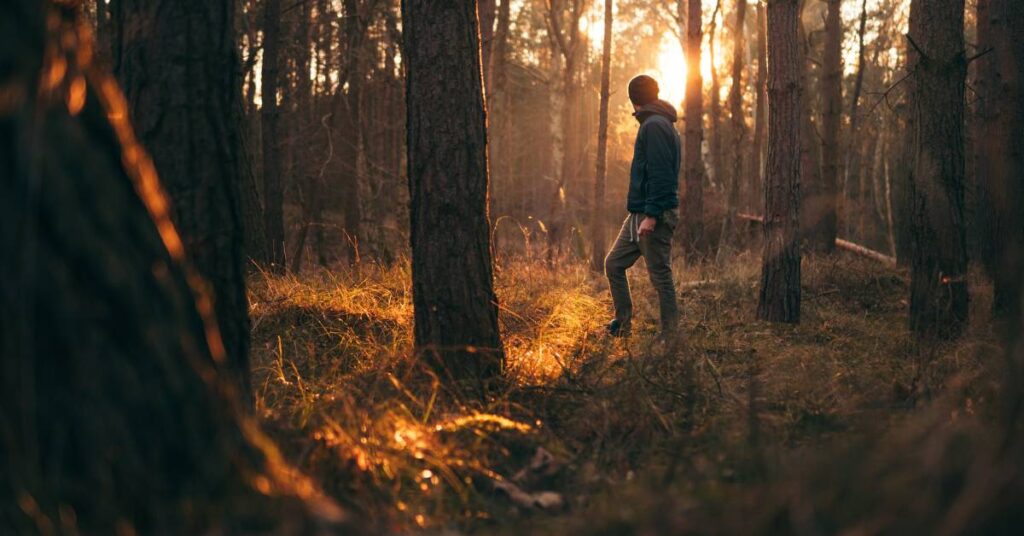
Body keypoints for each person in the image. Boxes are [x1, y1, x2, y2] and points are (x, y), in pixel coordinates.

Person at [604, 74, 681, 339]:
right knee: (613, 264)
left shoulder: (655, 126)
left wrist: (652, 215)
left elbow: (661, 175)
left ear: (633, 99)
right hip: (639, 213)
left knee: (660, 276)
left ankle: (671, 339)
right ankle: (622, 323)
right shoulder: (654, 123)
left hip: (653, 214)